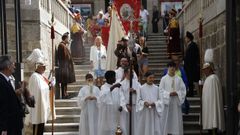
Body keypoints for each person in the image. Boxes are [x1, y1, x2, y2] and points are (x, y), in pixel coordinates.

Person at [27, 53, 54, 135]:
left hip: (42, 106)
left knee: (41, 129)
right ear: (38, 66)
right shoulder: (34, 77)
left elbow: (46, 87)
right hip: (37, 108)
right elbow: (39, 90)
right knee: (37, 130)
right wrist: (49, 86)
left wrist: (51, 84)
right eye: (43, 66)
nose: (45, 68)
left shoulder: (40, 76)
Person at [159, 62, 186, 135]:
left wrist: (177, 93)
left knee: (176, 120)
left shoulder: (179, 79)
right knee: (167, 120)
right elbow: (160, 90)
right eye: (170, 67)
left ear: (175, 68)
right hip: (167, 103)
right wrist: (168, 94)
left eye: (173, 67)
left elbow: (183, 90)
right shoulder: (163, 79)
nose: (172, 68)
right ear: (168, 68)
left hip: (176, 103)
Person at [0, 55, 24, 135]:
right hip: (9, 127)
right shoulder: (1, 82)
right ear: (7, 66)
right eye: (13, 64)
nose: (14, 66)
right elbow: (3, 106)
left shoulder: (6, 80)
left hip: (14, 125)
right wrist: (4, 128)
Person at [97, 70, 124, 135]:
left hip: (115, 112)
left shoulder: (116, 87)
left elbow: (121, 96)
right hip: (107, 113)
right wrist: (114, 86)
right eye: (114, 77)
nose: (115, 79)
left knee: (115, 129)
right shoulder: (104, 87)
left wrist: (121, 105)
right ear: (109, 78)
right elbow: (103, 96)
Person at [201, 62, 225, 134]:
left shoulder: (213, 79)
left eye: (205, 69)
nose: (204, 71)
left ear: (210, 69)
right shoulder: (208, 78)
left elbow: (214, 96)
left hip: (212, 105)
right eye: (203, 69)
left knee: (213, 122)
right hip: (208, 105)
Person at [119, 68, 141, 135]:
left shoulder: (137, 83)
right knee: (126, 125)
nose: (131, 74)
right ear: (125, 74)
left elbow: (142, 92)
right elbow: (121, 96)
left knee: (135, 124)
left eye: (132, 73)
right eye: (129, 73)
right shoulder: (121, 84)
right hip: (126, 107)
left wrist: (135, 91)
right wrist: (125, 105)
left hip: (134, 106)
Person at [56, 32, 76, 98]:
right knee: (63, 82)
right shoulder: (61, 45)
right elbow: (62, 57)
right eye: (68, 39)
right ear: (65, 38)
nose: (68, 40)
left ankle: (65, 93)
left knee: (65, 82)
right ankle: (64, 94)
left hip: (66, 66)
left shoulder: (64, 45)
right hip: (63, 67)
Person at [184, 31, 200, 97]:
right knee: (189, 79)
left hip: (191, 66)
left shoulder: (193, 45)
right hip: (189, 66)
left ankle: (191, 93)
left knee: (191, 79)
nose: (185, 39)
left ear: (189, 38)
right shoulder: (190, 45)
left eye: (186, 38)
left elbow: (193, 56)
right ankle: (190, 92)